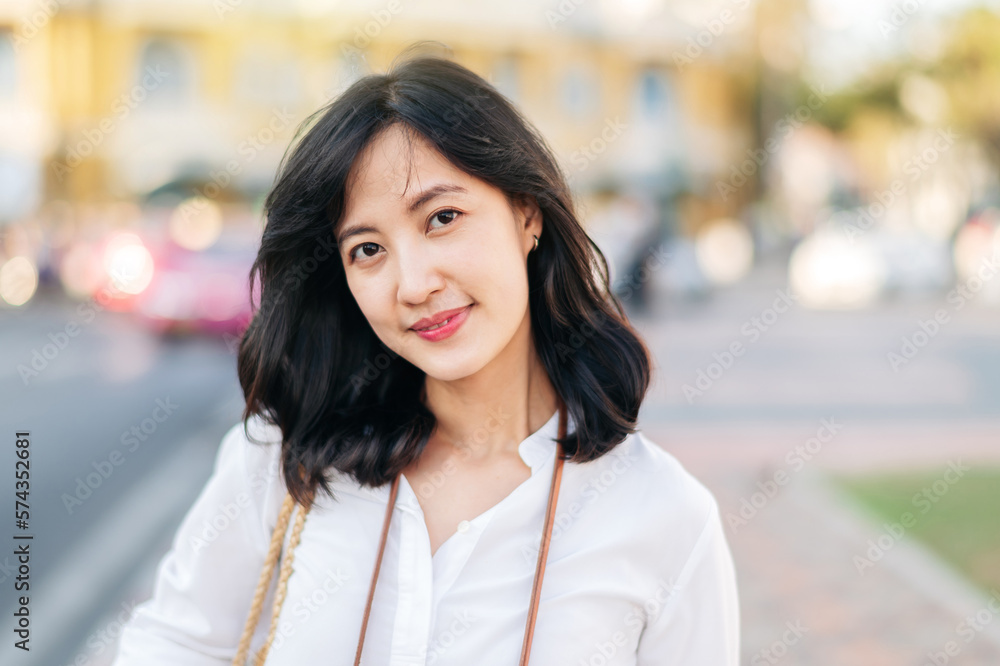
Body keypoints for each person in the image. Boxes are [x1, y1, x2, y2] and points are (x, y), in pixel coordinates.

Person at [111, 47, 740, 666]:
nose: (412, 284)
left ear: (527, 214)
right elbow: (172, 645)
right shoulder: (286, 458)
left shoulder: (662, 517)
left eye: (442, 217)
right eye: (367, 250)